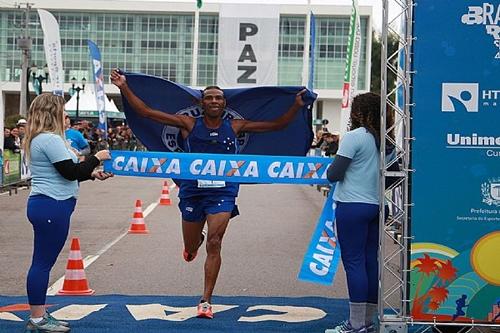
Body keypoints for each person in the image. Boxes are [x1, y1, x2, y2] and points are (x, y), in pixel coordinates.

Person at [110, 68, 308, 319]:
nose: (214, 101)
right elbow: (146, 112)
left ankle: (206, 300)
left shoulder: (235, 126)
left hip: (223, 190)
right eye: (209, 98)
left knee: (216, 242)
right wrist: (124, 87)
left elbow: (277, 125)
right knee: (192, 247)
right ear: (201, 102)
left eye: (219, 98)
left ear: (225, 103)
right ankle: (195, 242)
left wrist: (296, 104)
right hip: (192, 190)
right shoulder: (188, 123)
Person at [22, 93, 113, 332]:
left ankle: (39, 314)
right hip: (51, 204)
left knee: (43, 262)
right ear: (52, 113)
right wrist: (97, 158)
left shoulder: (48, 139)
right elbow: (70, 172)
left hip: (51, 203)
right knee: (42, 263)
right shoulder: (49, 139)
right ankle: (37, 317)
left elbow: (71, 171)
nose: (67, 115)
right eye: (62, 111)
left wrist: (92, 173)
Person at [325, 92, 395, 333]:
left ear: (358, 113)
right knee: (369, 262)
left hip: (352, 206)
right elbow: (391, 179)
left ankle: (356, 325)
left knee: (354, 263)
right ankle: (368, 321)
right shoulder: (388, 141)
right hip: (377, 206)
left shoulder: (354, 137)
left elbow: (334, 174)